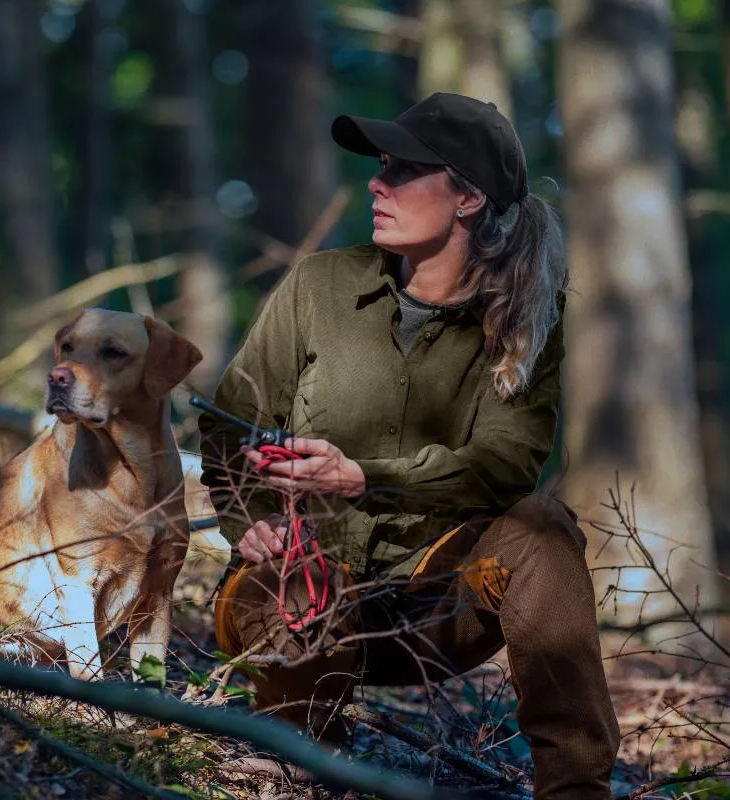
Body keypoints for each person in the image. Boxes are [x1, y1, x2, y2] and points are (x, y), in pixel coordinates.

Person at [198, 93, 620, 800]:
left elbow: (503, 467)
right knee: (300, 588)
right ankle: (298, 761)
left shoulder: (528, 313)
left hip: (436, 612)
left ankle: (577, 790)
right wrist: (252, 523)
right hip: (301, 595)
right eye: (380, 166)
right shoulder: (317, 286)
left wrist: (363, 476)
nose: (376, 182)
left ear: (468, 199)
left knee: (542, 530)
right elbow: (228, 423)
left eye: (403, 170)